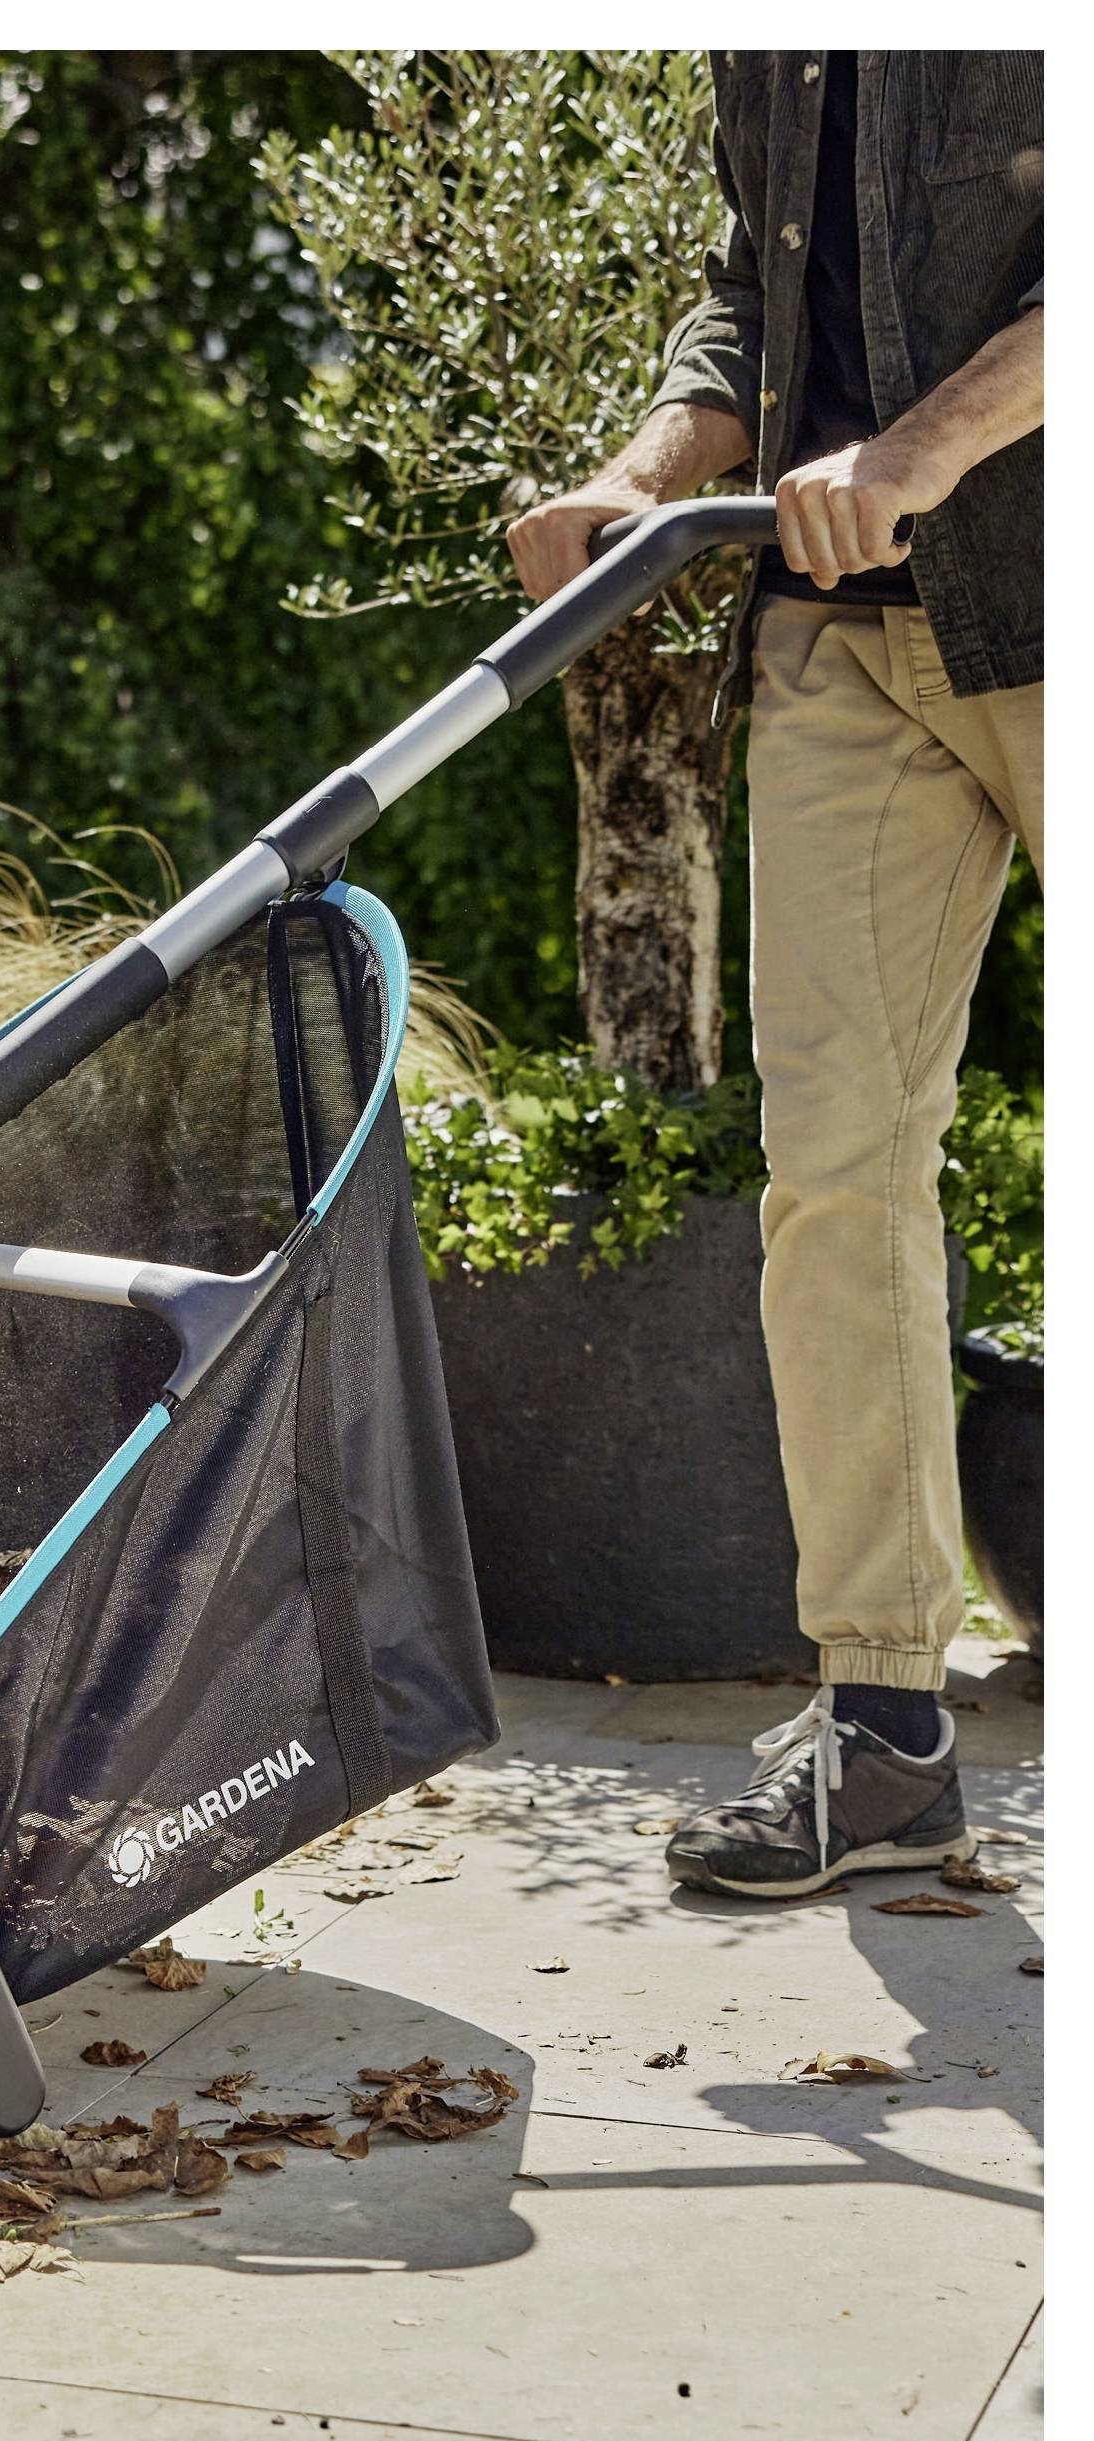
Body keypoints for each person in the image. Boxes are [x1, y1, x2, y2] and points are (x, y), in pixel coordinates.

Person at [508, 54, 1042, 1899]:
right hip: (839, 630)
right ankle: (886, 1726)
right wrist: (641, 479)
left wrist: (921, 451)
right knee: (833, 1165)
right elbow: (757, 280)